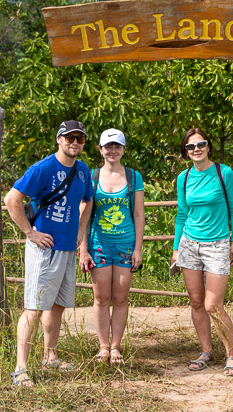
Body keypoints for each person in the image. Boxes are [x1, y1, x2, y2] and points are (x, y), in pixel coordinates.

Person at [4, 119, 94, 387]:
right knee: (33, 307)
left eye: (80, 139)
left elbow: (88, 200)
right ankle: (20, 368)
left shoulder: (82, 171)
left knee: (57, 305)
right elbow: (12, 199)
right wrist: (30, 232)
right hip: (44, 248)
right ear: (59, 139)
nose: (75, 143)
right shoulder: (43, 168)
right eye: (70, 138)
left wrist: (80, 227)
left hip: (67, 247)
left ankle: (50, 356)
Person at [172, 127, 233, 376]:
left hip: (218, 244)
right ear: (185, 151)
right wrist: (176, 247)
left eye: (200, 144)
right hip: (189, 244)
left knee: (213, 304)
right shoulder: (183, 178)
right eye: (190, 146)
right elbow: (182, 215)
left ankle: (232, 355)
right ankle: (206, 351)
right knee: (196, 301)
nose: (196, 149)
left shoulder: (224, 173)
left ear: (208, 146)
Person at [79, 128, 145, 365]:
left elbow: (138, 215)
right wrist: (83, 248)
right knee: (100, 297)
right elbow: (84, 217)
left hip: (126, 244)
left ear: (123, 149)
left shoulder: (134, 177)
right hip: (99, 243)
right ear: (100, 149)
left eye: (117, 146)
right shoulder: (91, 177)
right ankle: (103, 346)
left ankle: (116, 346)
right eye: (108, 146)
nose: (112, 150)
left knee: (120, 297)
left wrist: (138, 248)